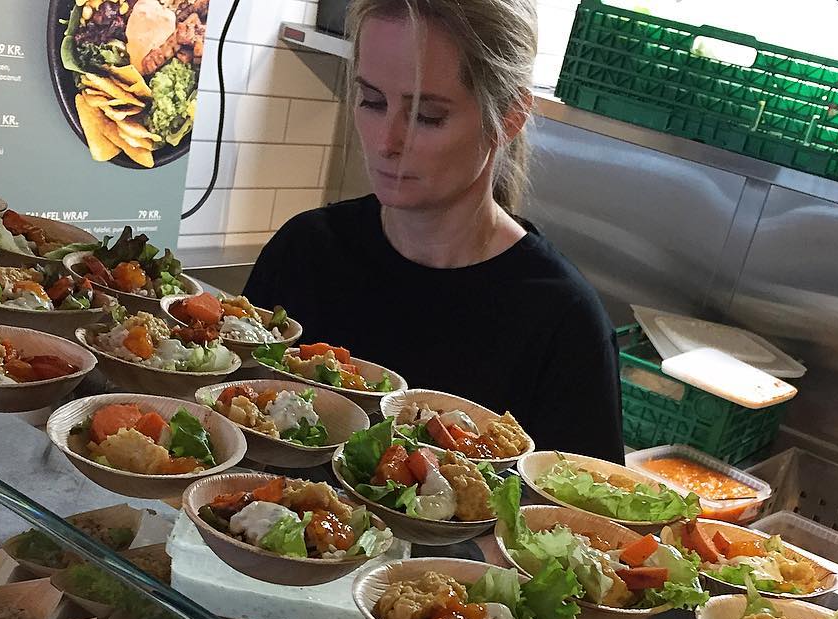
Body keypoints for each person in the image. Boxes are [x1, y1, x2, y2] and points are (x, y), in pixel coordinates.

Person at [244, 0, 623, 460]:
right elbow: (225, 439)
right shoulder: (305, 251)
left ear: (508, 118)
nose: (387, 142)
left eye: (427, 116)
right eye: (372, 101)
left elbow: (583, 524)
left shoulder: (562, 320)